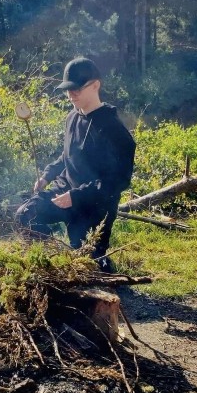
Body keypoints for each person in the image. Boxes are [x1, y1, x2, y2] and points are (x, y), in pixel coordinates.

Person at [16, 57, 136, 272]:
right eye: (67, 90)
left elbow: (118, 181)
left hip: (95, 207)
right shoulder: (72, 117)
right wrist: (47, 175)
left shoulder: (114, 130)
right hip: (64, 192)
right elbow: (67, 156)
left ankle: (97, 259)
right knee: (26, 214)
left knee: (89, 265)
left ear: (95, 85)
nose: (71, 95)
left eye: (77, 89)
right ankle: (50, 257)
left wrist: (76, 196)